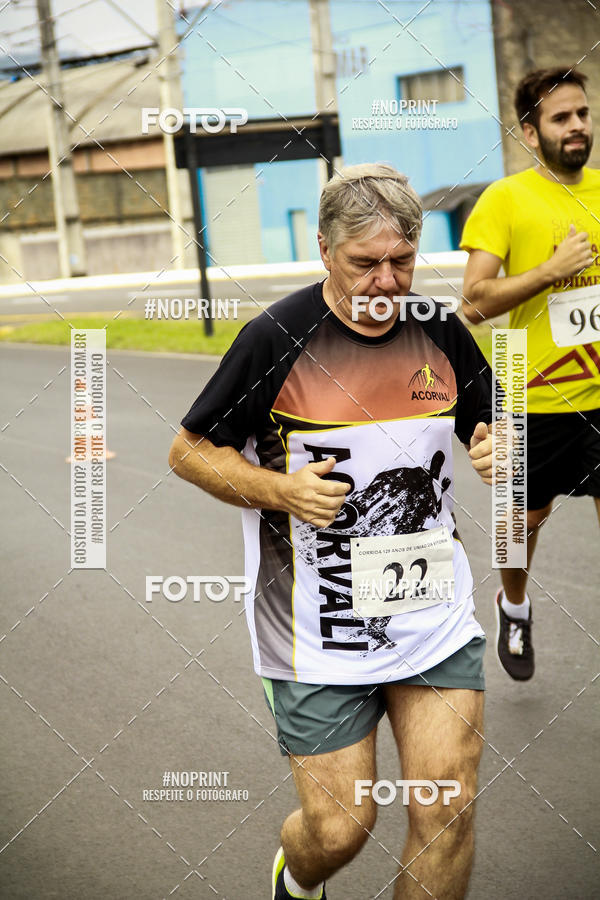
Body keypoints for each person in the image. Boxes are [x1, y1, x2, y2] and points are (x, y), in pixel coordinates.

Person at [169, 163, 495, 899]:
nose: (386, 282)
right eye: (364, 263)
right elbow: (188, 452)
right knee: (340, 830)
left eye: (402, 261)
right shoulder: (274, 338)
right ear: (323, 249)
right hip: (313, 632)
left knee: (447, 812)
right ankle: (297, 878)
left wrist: (502, 449)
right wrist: (280, 490)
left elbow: (496, 427)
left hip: (432, 615)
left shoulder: (441, 330)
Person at [461, 67, 600, 682]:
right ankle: (513, 605)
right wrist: (550, 270)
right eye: (560, 117)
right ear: (529, 131)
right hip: (529, 388)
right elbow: (473, 302)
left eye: (582, 113)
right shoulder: (506, 199)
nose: (577, 126)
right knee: (521, 525)